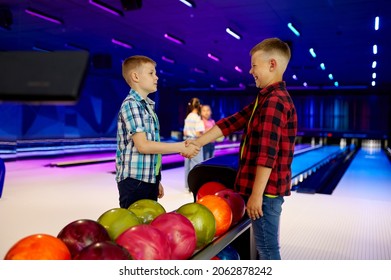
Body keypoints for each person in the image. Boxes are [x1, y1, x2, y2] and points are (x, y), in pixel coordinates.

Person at [186, 38, 297, 260]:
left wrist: (256, 195)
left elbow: (268, 153)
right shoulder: (265, 98)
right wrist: (198, 142)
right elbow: (232, 122)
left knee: (267, 250)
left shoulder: (275, 101)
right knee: (266, 247)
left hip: (265, 193)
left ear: (272, 65)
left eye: (254, 65)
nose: (250, 70)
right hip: (264, 191)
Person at [116, 55, 199, 209]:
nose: (156, 77)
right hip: (134, 181)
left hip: (146, 179)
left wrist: (155, 180)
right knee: (134, 229)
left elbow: (151, 150)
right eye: (151, 73)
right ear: (136, 77)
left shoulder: (147, 106)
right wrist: (180, 147)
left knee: (148, 228)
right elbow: (143, 146)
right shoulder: (132, 105)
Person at [183, 97, 205, 191]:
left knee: (187, 165)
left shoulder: (188, 117)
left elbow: (184, 132)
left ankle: (188, 186)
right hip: (195, 142)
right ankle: (194, 186)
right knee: (197, 165)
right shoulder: (197, 118)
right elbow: (198, 133)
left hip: (187, 142)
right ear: (200, 106)